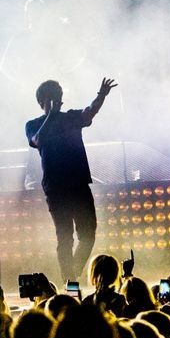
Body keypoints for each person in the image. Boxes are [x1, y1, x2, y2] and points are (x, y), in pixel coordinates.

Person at [25, 77, 117, 281]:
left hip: (79, 184)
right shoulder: (33, 125)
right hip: (56, 188)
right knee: (65, 237)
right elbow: (37, 140)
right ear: (42, 102)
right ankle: (70, 281)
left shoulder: (70, 118)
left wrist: (101, 95)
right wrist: (50, 115)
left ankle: (71, 274)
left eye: (58, 97)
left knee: (88, 234)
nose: (57, 101)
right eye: (51, 99)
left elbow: (89, 111)